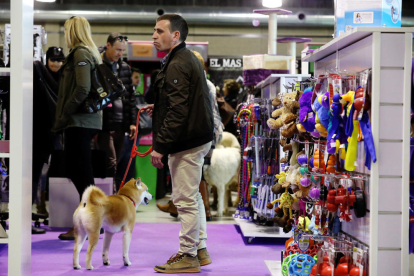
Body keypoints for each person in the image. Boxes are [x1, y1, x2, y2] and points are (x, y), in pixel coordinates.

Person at [143, 14, 214, 274]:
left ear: (175, 35)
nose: (153, 35)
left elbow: (178, 111)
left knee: (184, 200)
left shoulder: (177, 63)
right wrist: (158, 106)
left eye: (159, 31)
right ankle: (200, 249)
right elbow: (181, 103)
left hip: (187, 141)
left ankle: (187, 255)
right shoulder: (184, 59)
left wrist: (160, 146)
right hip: (195, 138)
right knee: (192, 196)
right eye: (154, 30)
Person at [156, 51, 223, 221]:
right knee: (196, 175)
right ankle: (197, 211)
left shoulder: (201, 85)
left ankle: (198, 213)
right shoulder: (206, 84)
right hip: (207, 134)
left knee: (195, 177)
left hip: (201, 136)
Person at [52, 16, 103, 240]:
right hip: (80, 121)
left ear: (72, 31)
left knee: (80, 172)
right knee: (79, 171)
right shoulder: (83, 53)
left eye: (66, 30)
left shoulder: (81, 53)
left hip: (80, 121)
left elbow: (82, 88)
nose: (64, 34)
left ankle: (89, 223)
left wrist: (65, 113)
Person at [97, 32, 137, 192]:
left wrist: (133, 122)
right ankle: (109, 195)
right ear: (108, 46)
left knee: (119, 161)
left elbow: (131, 98)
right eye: (117, 49)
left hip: (122, 124)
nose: (120, 53)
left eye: (122, 50)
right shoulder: (98, 66)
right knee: (110, 161)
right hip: (104, 124)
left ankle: (112, 195)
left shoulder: (125, 68)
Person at [32, 46, 65, 227]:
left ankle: (51, 207)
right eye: (53, 60)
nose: (56, 63)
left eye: (59, 60)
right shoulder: (39, 76)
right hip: (41, 132)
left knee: (55, 171)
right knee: (39, 172)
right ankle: (39, 205)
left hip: (57, 132)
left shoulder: (64, 78)